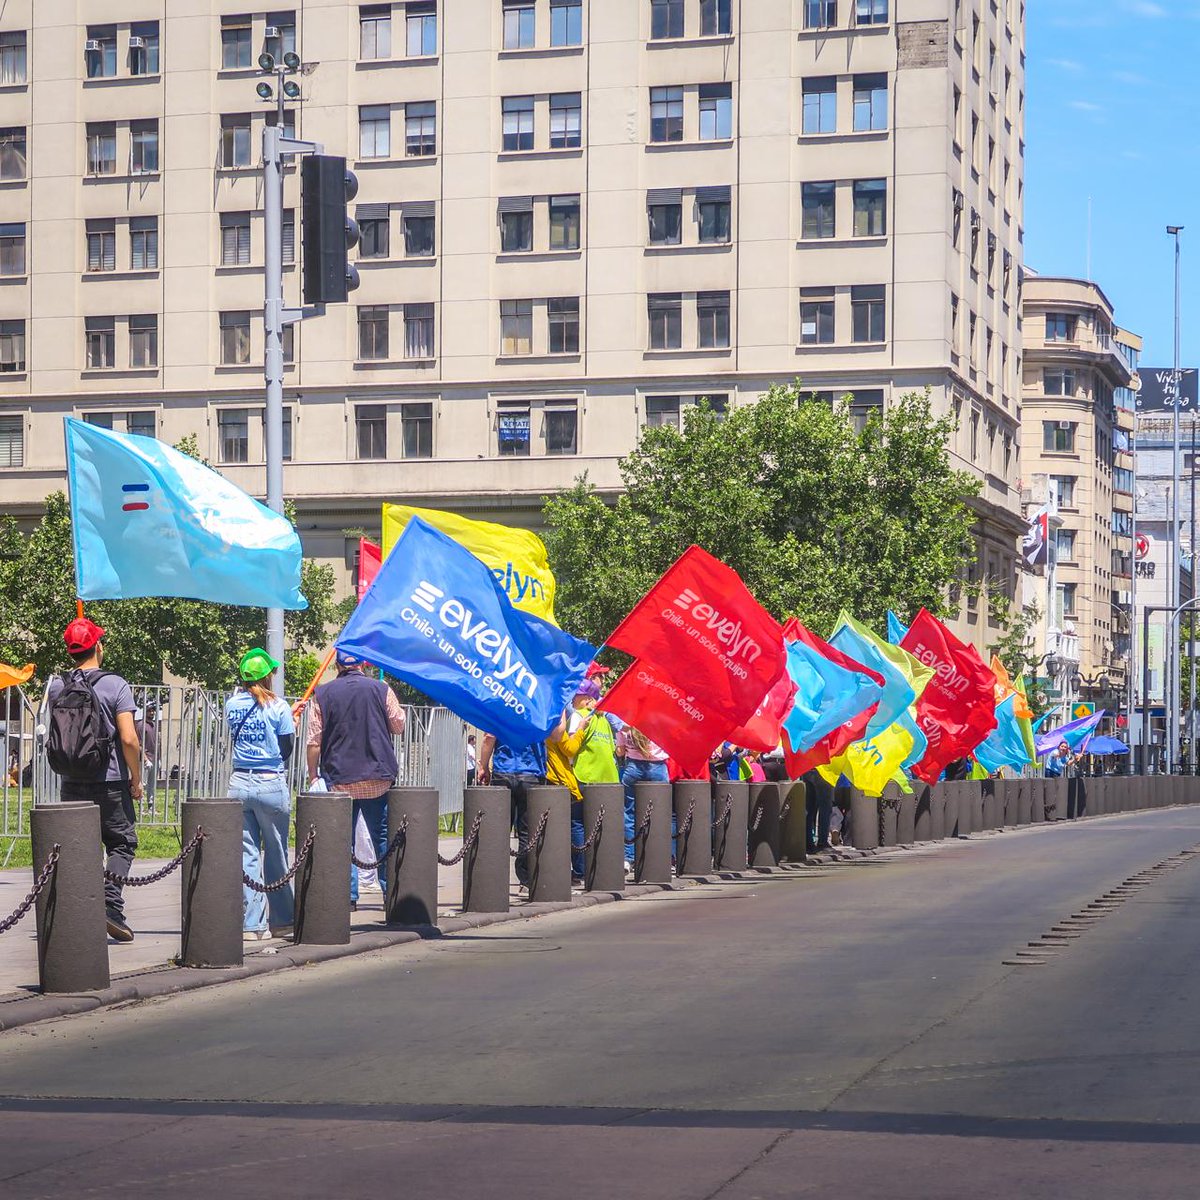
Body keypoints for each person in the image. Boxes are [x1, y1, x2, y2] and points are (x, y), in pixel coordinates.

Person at [45, 618, 142, 943]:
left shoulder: (58, 685)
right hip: (110, 780)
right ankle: (110, 905)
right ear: (98, 646)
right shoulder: (115, 685)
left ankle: (78, 916)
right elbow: (129, 739)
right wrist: (136, 777)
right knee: (121, 842)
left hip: (71, 781)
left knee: (77, 848)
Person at [306, 651, 406, 911]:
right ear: (363, 664)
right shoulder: (381, 689)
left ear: (337, 665)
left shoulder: (323, 694)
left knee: (343, 839)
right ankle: (389, 893)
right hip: (377, 775)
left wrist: (313, 774)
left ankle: (347, 898)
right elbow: (398, 725)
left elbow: (314, 740)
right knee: (382, 837)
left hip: (339, 777)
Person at [226, 649, 296, 941]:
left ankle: (252, 925)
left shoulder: (231, 704)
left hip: (239, 782)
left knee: (247, 855)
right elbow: (287, 747)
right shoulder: (279, 706)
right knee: (276, 853)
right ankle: (282, 920)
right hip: (270, 782)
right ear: (269, 675)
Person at [477, 732, 546, 891]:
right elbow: (556, 733)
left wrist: (484, 766)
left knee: (499, 831)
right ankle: (526, 877)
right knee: (527, 832)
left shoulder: (501, 706)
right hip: (532, 772)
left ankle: (494, 882)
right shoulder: (537, 707)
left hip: (503, 771)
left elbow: (489, 737)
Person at [618, 726, 669, 875]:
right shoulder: (659, 722)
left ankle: (628, 858)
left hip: (633, 767)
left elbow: (620, 751)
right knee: (660, 813)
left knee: (629, 812)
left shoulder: (624, 725)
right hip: (658, 766)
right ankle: (657, 857)